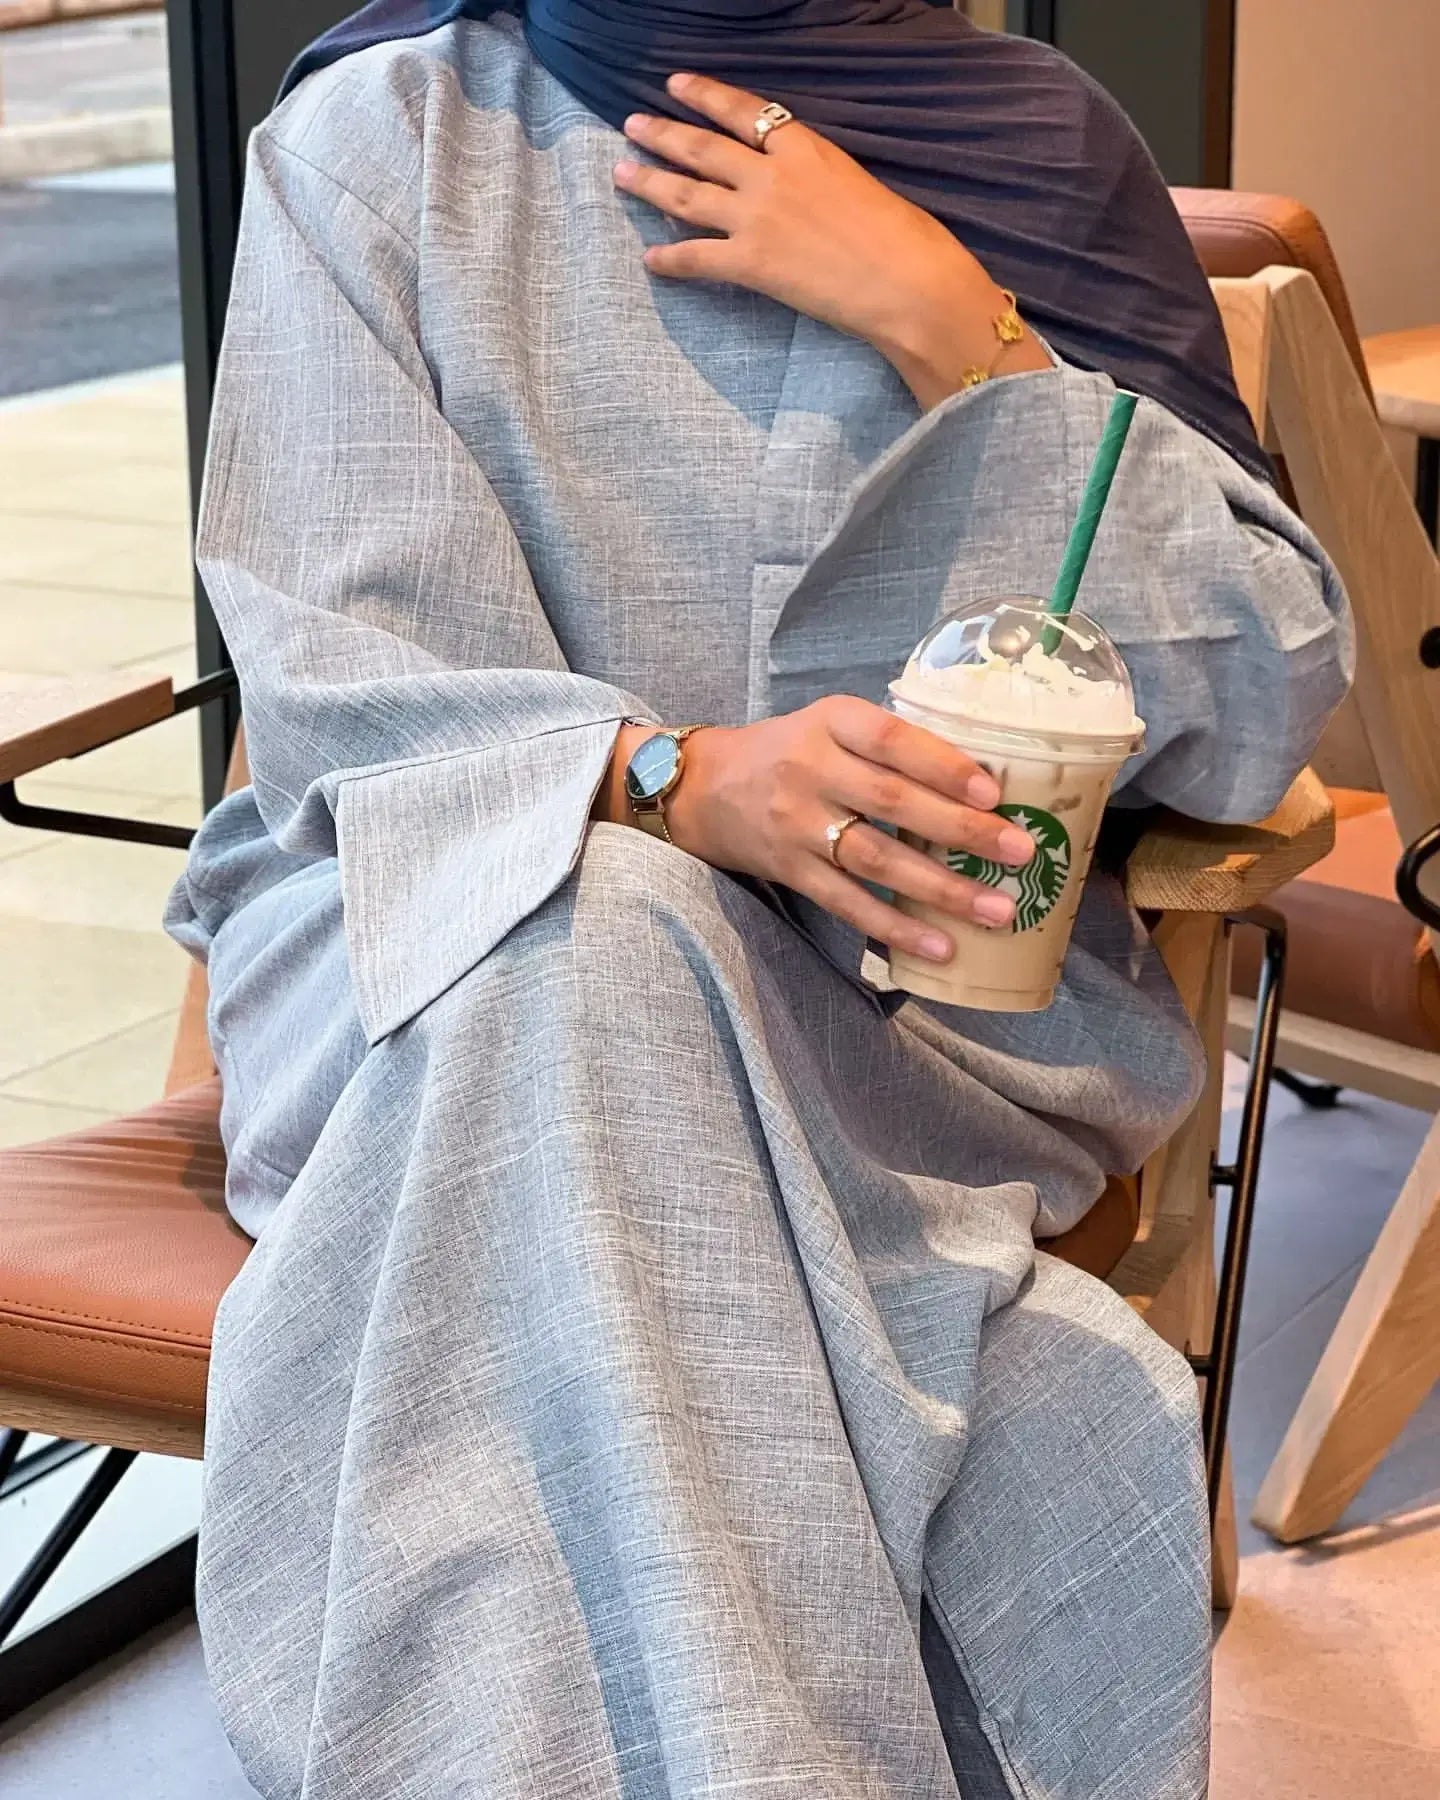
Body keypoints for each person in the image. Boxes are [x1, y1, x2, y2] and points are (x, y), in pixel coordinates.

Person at [167, 3, 1350, 1795]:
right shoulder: (378, 141)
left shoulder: (1032, 152)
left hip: (894, 1031)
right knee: (600, 943)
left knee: (608, 963)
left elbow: (1258, 700)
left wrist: (960, 326)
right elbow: (347, 680)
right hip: (402, 970)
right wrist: (678, 778)